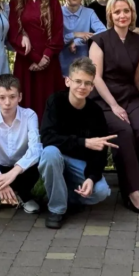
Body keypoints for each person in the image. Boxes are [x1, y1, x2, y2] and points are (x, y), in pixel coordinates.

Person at [89, 0, 139, 214]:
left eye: (126, 11)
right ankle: (132, 192)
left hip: (130, 95)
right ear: (110, 15)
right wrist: (114, 106)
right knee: (123, 131)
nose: (122, 15)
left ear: (132, 14)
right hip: (104, 99)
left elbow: (138, 78)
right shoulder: (99, 40)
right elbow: (95, 78)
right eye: (117, 12)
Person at [38, 58, 115, 229]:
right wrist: (84, 142)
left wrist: (92, 178)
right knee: (49, 153)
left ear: (92, 86)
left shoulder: (95, 111)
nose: (82, 86)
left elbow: (100, 152)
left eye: (87, 83)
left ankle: (67, 196)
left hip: (79, 164)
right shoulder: (55, 101)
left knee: (101, 192)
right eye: (78, 81)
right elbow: (47, 138)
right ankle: (56, 209)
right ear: (68, 81)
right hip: (57, 157)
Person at [0, 74, 42, 217]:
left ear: (20, 97)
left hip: (21, 169)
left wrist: (13, 172)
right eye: (2, 97)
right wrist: (0, 180)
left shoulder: (30, 115)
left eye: (12, 97)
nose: (7, 102)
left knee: (36, 164)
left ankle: (24, 196)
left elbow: (35, 148)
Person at [8, 0, 65, 123]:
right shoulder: (15, 4)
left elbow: (58, 32)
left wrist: (45, 57)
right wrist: (35, 58)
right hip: (26, 63)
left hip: (50, 63)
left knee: (50, 107)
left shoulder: (53, 2)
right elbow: (13, 35)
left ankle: (50, 138)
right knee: (26, 107)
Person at [60, 0, 106, 75]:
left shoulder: (89, 13)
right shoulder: (57, 12)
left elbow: (103, 32)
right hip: (59, 68)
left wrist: (77, 41)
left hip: (82, 69)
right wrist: (74, 34)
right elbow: (54, 40)